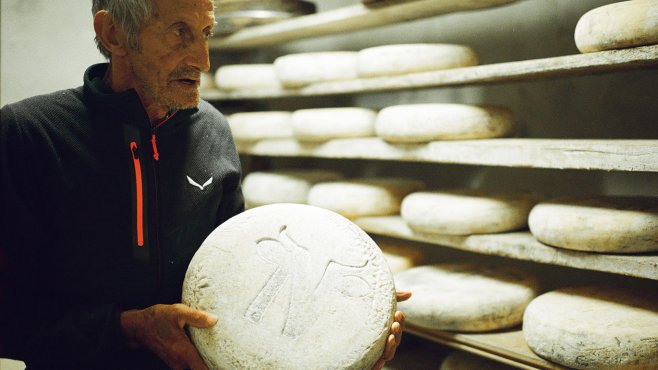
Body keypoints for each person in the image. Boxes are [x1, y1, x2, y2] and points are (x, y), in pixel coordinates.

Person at [0, 0, 410, 369]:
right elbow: (9, 317)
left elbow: (240, 278)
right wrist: (130, 328)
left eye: (206, 33)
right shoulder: (32, 133)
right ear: (113, 34)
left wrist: (351, 329)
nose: (203, 59)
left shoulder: (212, 130)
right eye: (180, 31)